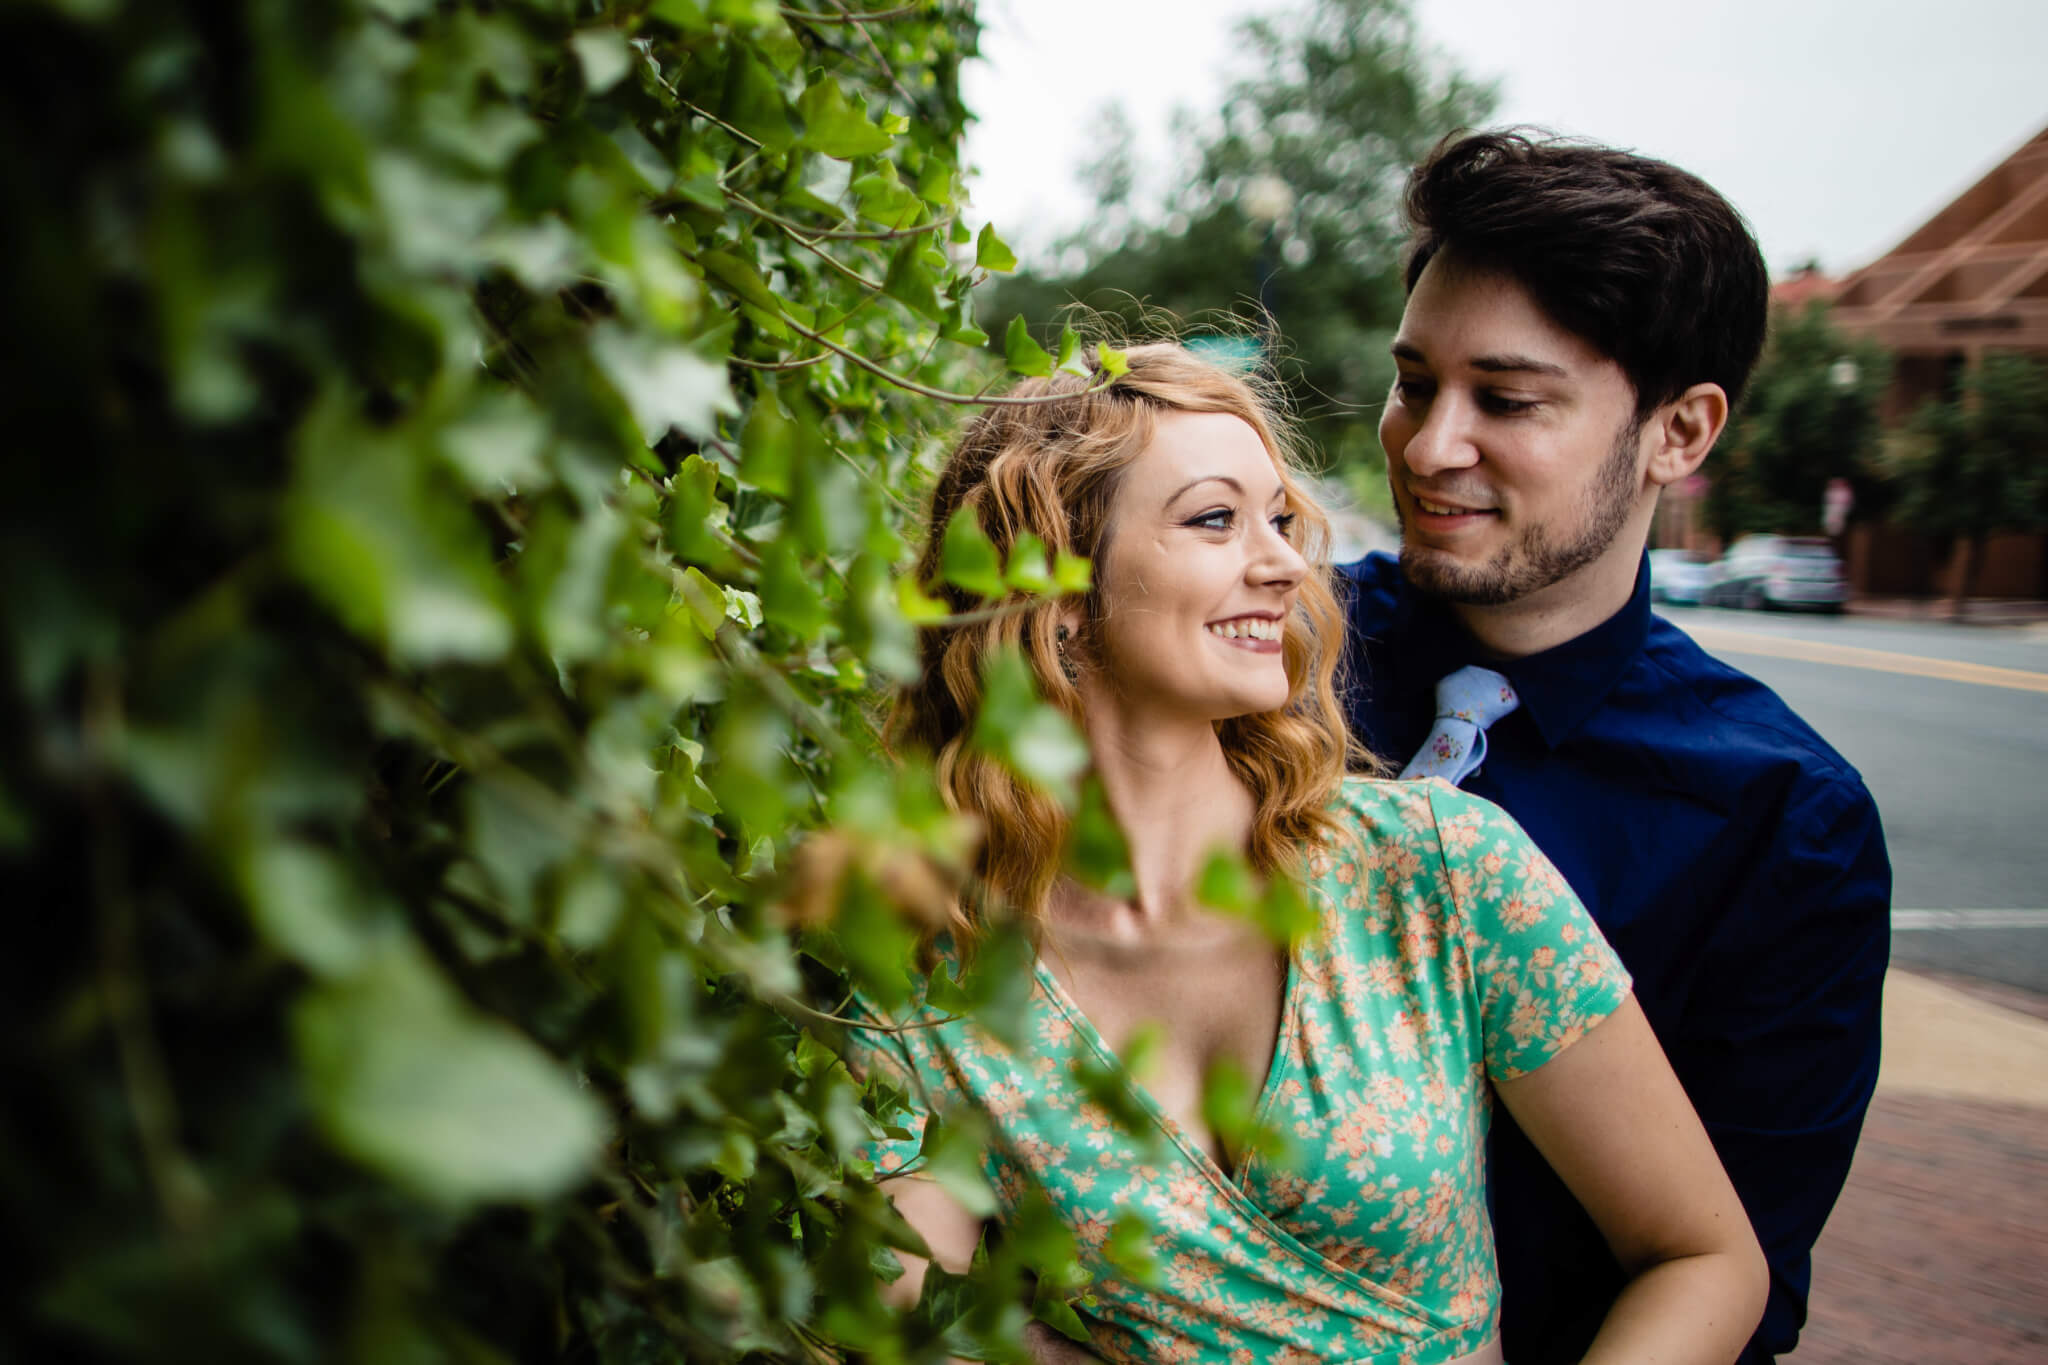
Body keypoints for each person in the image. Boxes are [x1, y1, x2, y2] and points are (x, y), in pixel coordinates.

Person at [847, 343, 1767, 1365]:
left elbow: (1702, 1256)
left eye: (1279, 520)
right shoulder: (928, 971)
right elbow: (902, 1323)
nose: (1285, 562)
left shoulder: (1441, 870)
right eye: (1213, 519)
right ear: (1057, 603)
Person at [1339, 131, 1892, 1365]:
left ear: (1678, 432)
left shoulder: (1781, 821)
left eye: (1507, 399)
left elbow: (1734, 1277)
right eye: (1414, 382)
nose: (1428, 446)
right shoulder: (1258, 654)